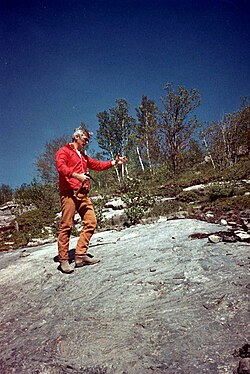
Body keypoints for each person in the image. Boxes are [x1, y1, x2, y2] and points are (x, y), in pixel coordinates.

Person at [56, 126, 127, 274]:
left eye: (88, 140)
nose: (86, 142)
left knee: (91, 221)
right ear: (77, 137)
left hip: (83, 193)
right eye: (85, 139)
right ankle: (63, 260)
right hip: (69, 193)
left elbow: (98, 165)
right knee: (67, 225)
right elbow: (61, 167)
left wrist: (115, 162)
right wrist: (77, 175)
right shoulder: (64, 151)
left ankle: (80, 256)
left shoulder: (83, 156)